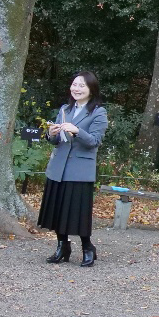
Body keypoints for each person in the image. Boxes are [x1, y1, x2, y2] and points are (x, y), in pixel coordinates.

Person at [40, 71, 109, 267]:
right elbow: (55, 141)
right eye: (74, 85)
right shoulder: (65, 109)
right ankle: (62, 246)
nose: (76, 89)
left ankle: (88, 247)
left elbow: (94, 141)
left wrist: (77, 130)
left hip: (80, 170)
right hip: (58, 168)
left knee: (78, 212)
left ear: (91, 90)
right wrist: (51, 133)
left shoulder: (98, 112)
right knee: (57, 209)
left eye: (81, 86)